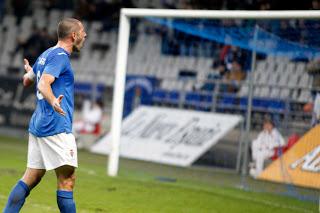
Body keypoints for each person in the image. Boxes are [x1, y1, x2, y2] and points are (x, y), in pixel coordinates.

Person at [3, 18, 87, 212]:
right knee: (67, 180)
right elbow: (43, 84)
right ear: (73, 35)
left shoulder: (46, 54)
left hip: (38, 123)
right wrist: (54, 101)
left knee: (31, 177)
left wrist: (31, 72)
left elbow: (27, 81)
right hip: (55, 125)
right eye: (82, 31)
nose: (85, 35)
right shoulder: (60, 57)